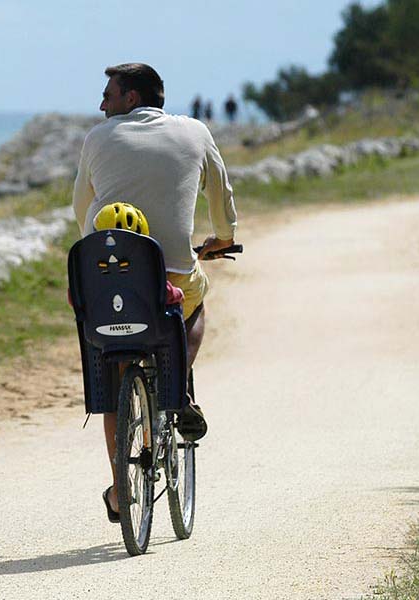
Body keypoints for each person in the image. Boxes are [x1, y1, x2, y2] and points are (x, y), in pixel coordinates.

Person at [73, 62, 238, 521]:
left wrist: (99, 248)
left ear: (131, 98)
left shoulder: (97, 139)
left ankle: (121, 489)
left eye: (108, 94)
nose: (101, 104)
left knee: (113, 367)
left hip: (109, 280)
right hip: (173, 277)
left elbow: (81, 206)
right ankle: (175, 385)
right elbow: (220, 194)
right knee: (196, 302)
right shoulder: (195, 132)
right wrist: (224, 236)